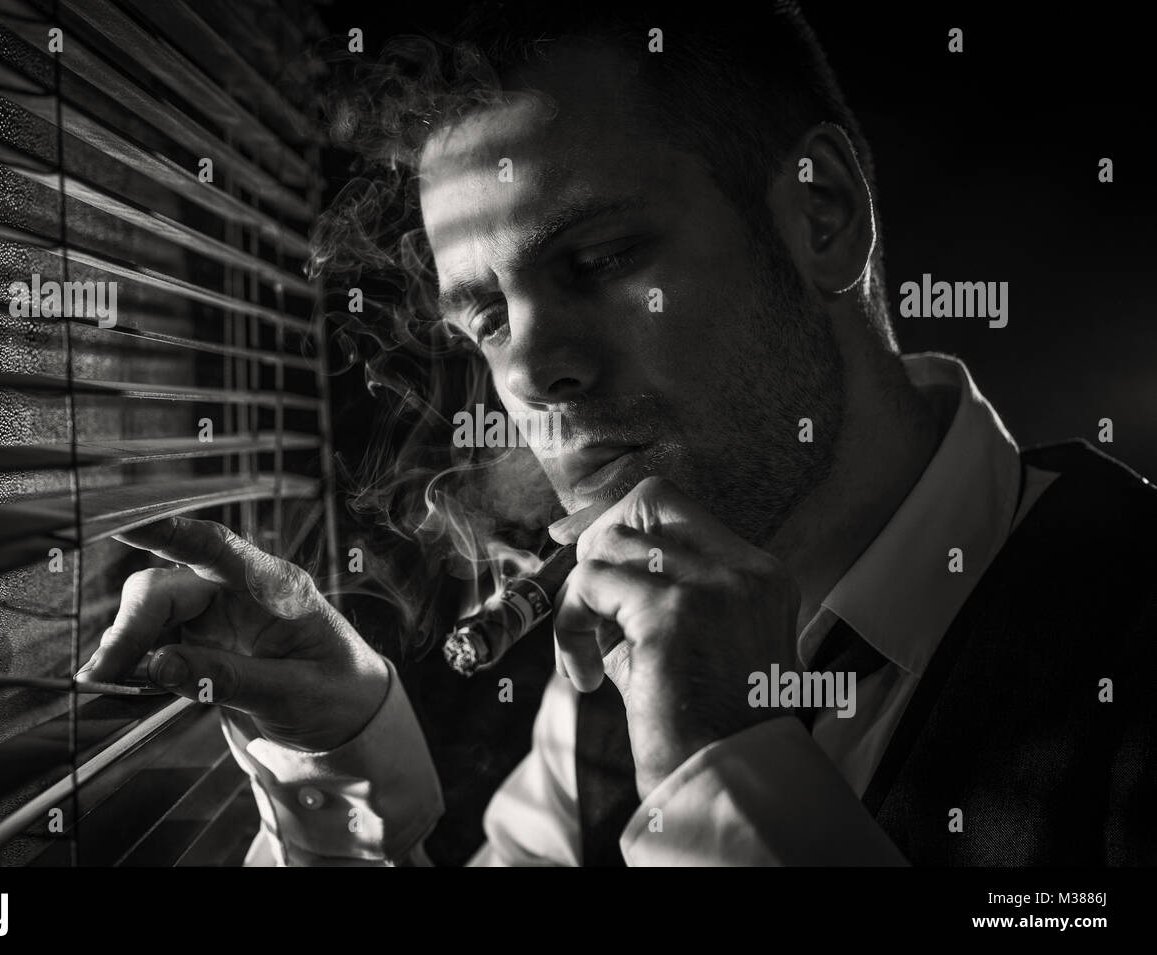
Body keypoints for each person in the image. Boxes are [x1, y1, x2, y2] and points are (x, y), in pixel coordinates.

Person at [76, 2, 1157, 865]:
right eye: (486, 316)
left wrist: (723, 773)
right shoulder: (614, 665)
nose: (533, 370)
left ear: (819, 216)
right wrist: (338, 765)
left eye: (596, 261)